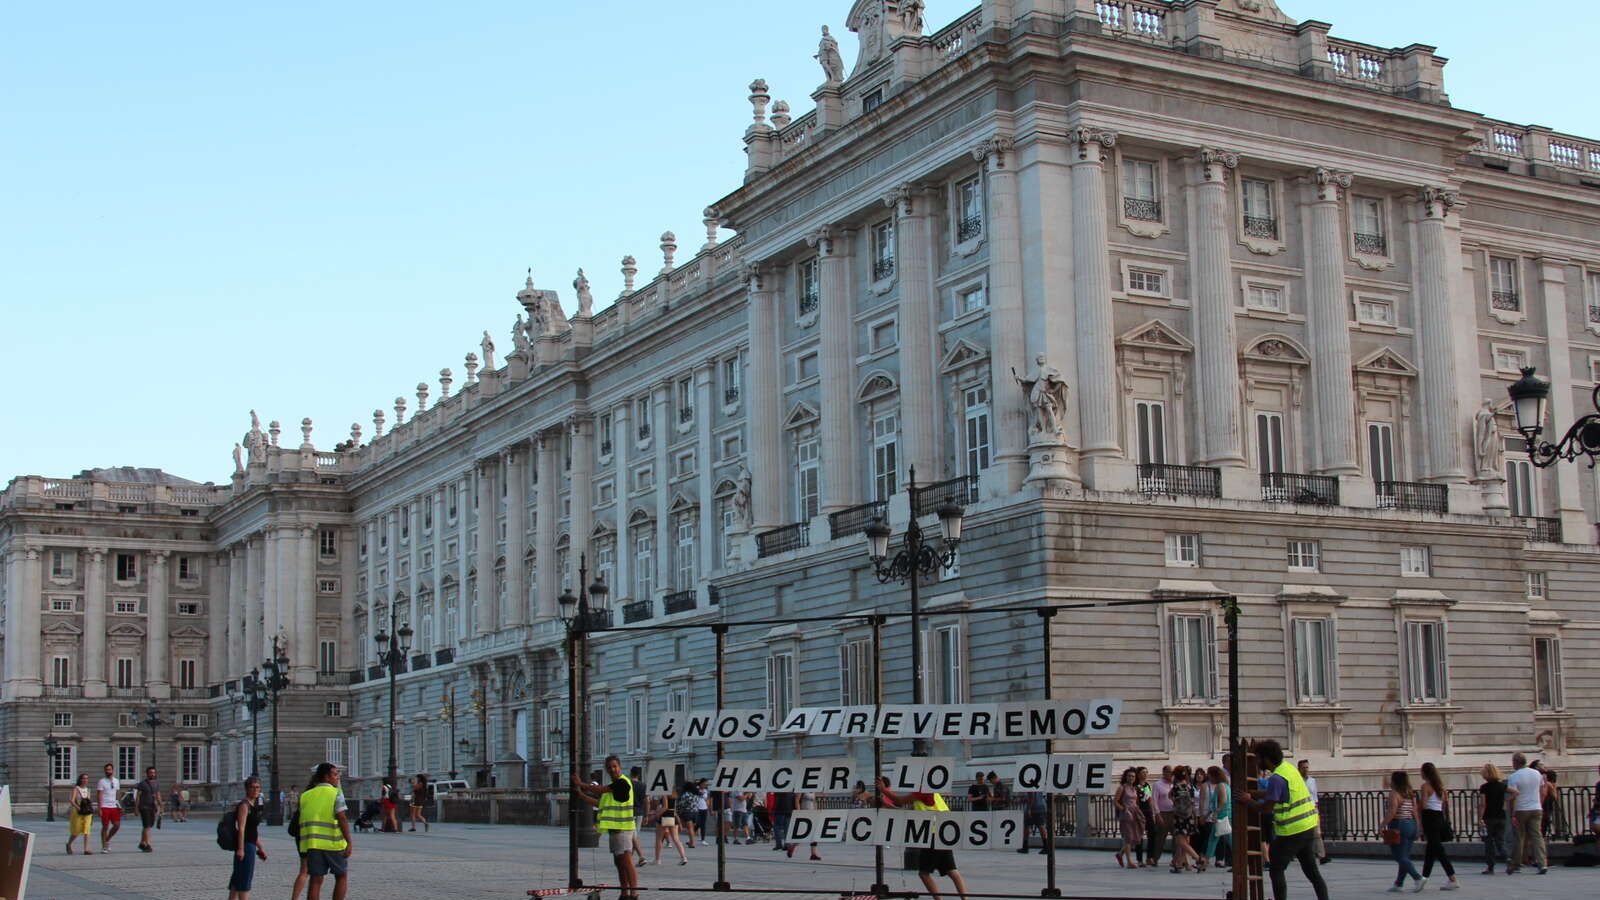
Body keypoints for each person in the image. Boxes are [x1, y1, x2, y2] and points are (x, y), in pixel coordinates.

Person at [1250, 740, 1329, 900]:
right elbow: (1278, 793)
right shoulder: (1289, 769)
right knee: (1312, 872)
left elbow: (1266, 808)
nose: (1257, 762)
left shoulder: (1276, 778)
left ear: (1267, 758)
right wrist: (1256, 794)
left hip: (1291, 831)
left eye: (1258, 758)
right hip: (1307, 827)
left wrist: (1247, 800)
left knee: (1276, 869)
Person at [879, 781, 969, 900]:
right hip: (943, 834)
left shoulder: (922, 791)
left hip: (932, 835)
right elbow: (906, 813)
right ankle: (965, 899)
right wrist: (886, 804)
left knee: (924, 873)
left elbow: (900, 801)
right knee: (951, 870)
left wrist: (883, 790)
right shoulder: (933, 793)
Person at [572, 756, 639, 900]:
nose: (612, 769)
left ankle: (634, 893)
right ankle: (624, 893)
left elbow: (600, 790)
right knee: (619, 863)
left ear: (620, 767)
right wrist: (582, 796)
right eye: (609, 767)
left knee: (626, 861)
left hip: (623, 829)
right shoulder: (614, 785)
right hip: (615, 829)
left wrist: (581, 784)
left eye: (614, 766)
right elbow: (599, 802)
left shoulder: (622, 782)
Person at [297, 762, 354, 900]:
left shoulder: (305, 795)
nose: (337, 778)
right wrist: (349, 842)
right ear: (326, 777)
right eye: (335, 774)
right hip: (333, 843)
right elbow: (342, 818)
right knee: (341, 876)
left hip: (312, 844)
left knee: (315, 880)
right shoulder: (336, 793)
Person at [1417, 762, 1460, 891]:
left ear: (1425, 773)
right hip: (1439, 818)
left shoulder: (1425, 786)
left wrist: (1417, 806)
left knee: (1438, 851)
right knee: (1431, 851)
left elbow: (1424, 805)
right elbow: (1444, 806)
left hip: (1430, 818)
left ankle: (1453, 878)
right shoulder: (1441, 787)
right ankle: (1423, 878)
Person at [1381, 769, 1423, 892]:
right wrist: (1418, 826)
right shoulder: (1410, 793)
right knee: (1405, 856)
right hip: (1411, 824)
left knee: (1399, 856)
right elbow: (1414, 810)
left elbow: (1392, 811)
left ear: (1395, 781)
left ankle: (1418, 878)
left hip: (1399, 824)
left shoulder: (1394, 793)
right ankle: (1399, 883)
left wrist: (1382, 825)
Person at [1505, 752, 1546, 874]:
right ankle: (1542, 863)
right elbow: (1542, 791)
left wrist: (1512, 814)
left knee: (1519, 837)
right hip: (1536, 807)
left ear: (1516, 762)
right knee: (1537, 836)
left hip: (1521, 809)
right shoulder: (1536, 773)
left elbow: (1513, 796)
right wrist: (1540, 804)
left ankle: (1516, 864)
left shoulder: (1514, 776)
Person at [228, 775, 269, 900]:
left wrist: (260, 848)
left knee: (237, 880)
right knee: (244, 880)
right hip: (245, 846)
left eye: (258, 787)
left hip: (251, 844)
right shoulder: (244, 805)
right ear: (247, 789)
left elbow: (252, 831)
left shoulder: (254, 805)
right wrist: (241, 849)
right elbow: (242, 828)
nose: (256, 790)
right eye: (252, 787)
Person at [1477, 762, 1509, 873]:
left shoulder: (1484, 788)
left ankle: (1490, 866)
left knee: (1489, 842)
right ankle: (1508, 859)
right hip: (1501, 816)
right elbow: (1515, 792)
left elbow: (1483, 804)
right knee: (1500, 841)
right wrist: (1506, 802)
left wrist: (1480, 818)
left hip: (1489, 817)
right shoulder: (1502, 786)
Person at [1168, 766, 1199, 873]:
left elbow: (1172, 798)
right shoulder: (1190, 787)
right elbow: (1192, 801)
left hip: (1179, 817)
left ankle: (1198, 859)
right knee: (1185, 840)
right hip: (1189, 816)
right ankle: (1179, 864)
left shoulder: (1176, 787)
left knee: (1180, 841)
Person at [1297, 760, 1329, 865]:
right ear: (1299, 769)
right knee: (1302, 834)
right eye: (1303, 768)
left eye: (1307, 767)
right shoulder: (1297, 780)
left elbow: (1314, 795)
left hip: (1313, 809)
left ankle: (1322, 856)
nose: (1306, 770)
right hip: (1301, 810)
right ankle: (1300, 854)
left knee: (1317, 833)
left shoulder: (1312, 781)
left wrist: (1316, 807)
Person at [1114, 768, 1145, 869]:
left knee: (1134, 837)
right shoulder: (1122, 788)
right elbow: (1115, 801)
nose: (1131, 778)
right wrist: (1123, 809)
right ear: (1125, 777)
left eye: (1133, 776)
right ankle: (1129, 862)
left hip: (1135, 813)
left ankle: (1120, 854)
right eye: (1129, 776)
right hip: (1126, 814)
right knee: (1128, 837)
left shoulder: (1135, 788)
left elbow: (1144, 798)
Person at [647, 791, 688, 866]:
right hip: (673, 817)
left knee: (659, 838)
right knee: (676, 839)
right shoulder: (674, 795)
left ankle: (657, 859)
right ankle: (684, 857)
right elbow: (674, 810)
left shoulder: (665, 794)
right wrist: (679, 822)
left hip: (665, 817)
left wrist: (656, 815)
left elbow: (665, 807)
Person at [1205, 766, 1232, 869]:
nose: (1209, 777)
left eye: (1210, 775)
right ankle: (1205, 860)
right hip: (1225, 815)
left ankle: (1205, 861)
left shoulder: (1220, 786)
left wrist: (1216, 813)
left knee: (1216, 838)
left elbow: (1223, 801)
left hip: (1222, 816)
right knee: (1215, 838)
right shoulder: (1226, 785)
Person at [132, 766, 163, 852]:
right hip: (144, 807)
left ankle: (142, 843)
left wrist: (161, 805)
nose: (152, 774)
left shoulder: (156, 783)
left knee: (148, 826)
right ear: (147, 773)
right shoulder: (142, 784)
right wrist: (136, 808)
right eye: (151, 773)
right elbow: (137, 796)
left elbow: (158, 795)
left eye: (154, 772)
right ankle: (148, 844)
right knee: (147, 826)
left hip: (152, 807)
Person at [1148, 765, 1174, 867]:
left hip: (1174, 813)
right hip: (1163, 813)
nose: (1171, 774)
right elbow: (1154, 800)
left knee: (1176, 837)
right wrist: (1157, 814)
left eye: (1172, 772)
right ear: (1164, 773)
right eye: (1169, 772)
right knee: (1160, 838)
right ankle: (1155, 858)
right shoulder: (1157, 785)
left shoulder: (1174, 784)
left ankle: (1175, 858)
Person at [784, 792, 820, 860]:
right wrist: (799, 813)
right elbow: (797, 800)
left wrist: (816, 812)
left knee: (814, 834)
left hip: (812, 814)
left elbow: (814, 802)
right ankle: (792, 847)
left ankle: (813, 854)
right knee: (801, 834)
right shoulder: (802, 790)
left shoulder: (813, 791)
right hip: (804, 814)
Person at [96, 762, 122, 853]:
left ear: (113, 770)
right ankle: (104, 846)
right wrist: (99, 808)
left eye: (109, 769)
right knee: (105, 826)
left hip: (114, 806)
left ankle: (107, 839)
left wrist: (119, 805)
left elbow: (117, 794)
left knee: (116, 825)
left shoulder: (116, 781)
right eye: (106, 770)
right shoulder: (101, 781)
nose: (108, 771)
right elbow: (99, 795)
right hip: (104, 806)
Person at [67, 773, 94, 854]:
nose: (85, 780)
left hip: (87, 812)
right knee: (76, 831)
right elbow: (71, 800)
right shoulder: (76, 788)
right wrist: (78, 807)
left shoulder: (88, 790)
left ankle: (86, 849)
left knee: (87, 830)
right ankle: (69, 844)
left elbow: (88, 801)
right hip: (77, 812)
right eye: (83, 778)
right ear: (80, 779)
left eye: (87, 778)